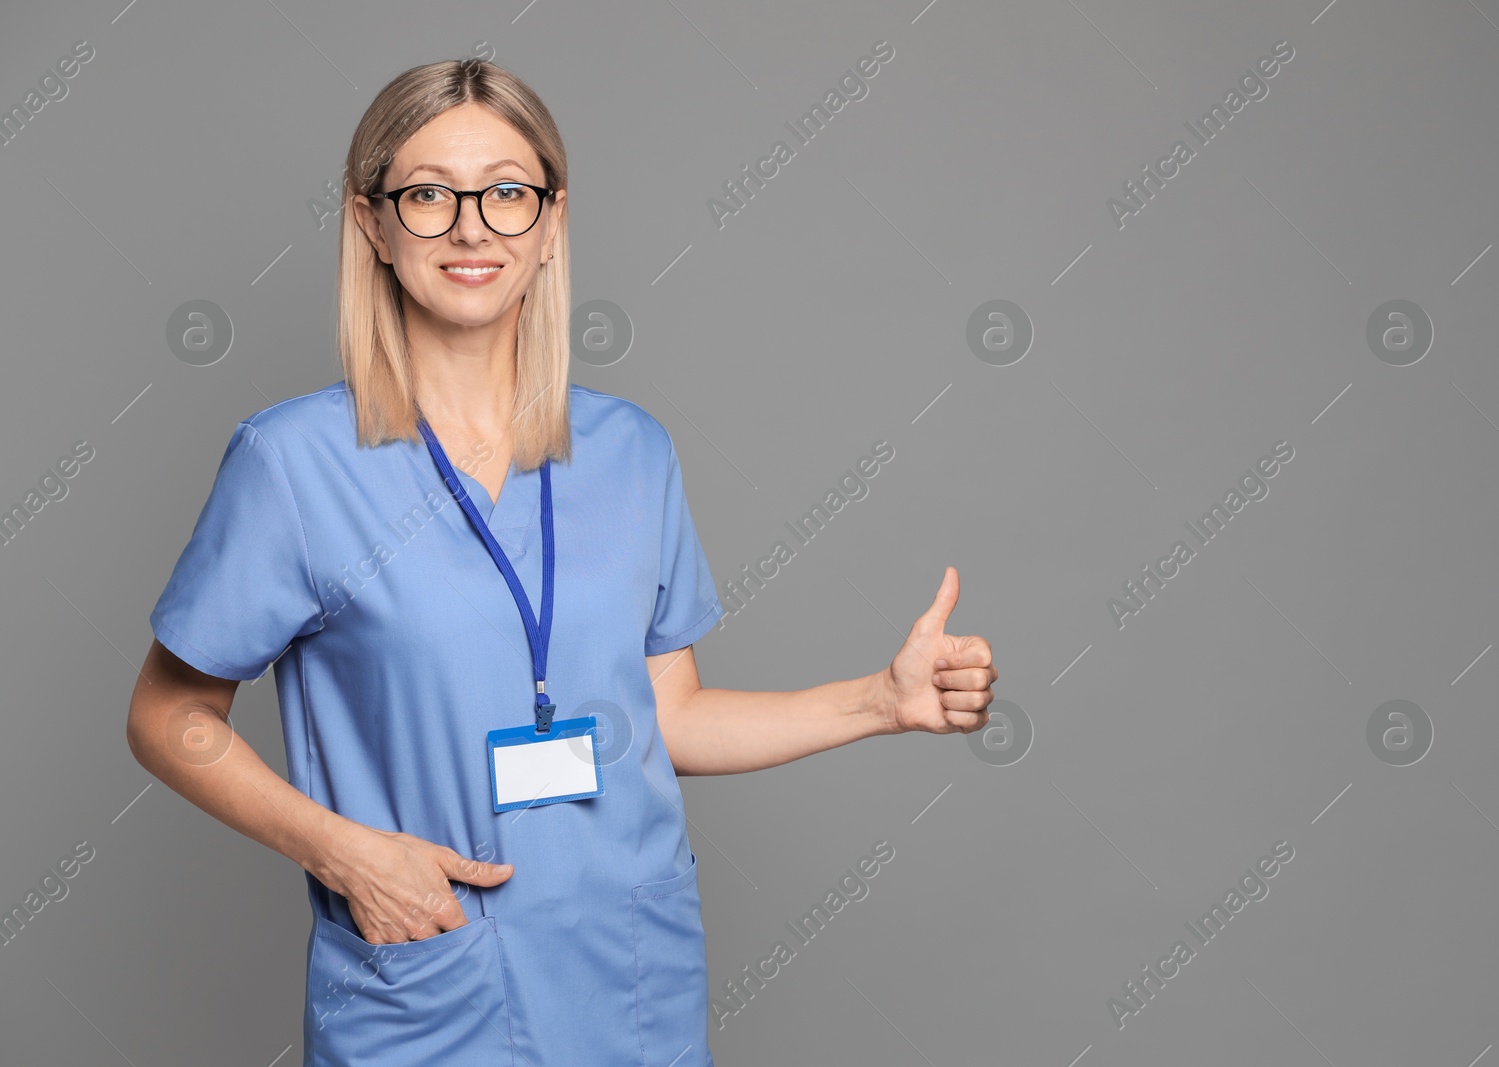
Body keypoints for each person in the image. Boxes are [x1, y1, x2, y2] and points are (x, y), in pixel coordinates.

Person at [125, 58, 997, 1067]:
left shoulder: (631, 452)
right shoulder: (292, 465)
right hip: (427, 981)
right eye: (426, 195)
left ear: (549, 224)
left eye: (505, 193)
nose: (469, 228)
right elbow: (166, 714)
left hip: (624, 981)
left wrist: (878, 701)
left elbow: (667, 716)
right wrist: (343, 851)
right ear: (371, 223)